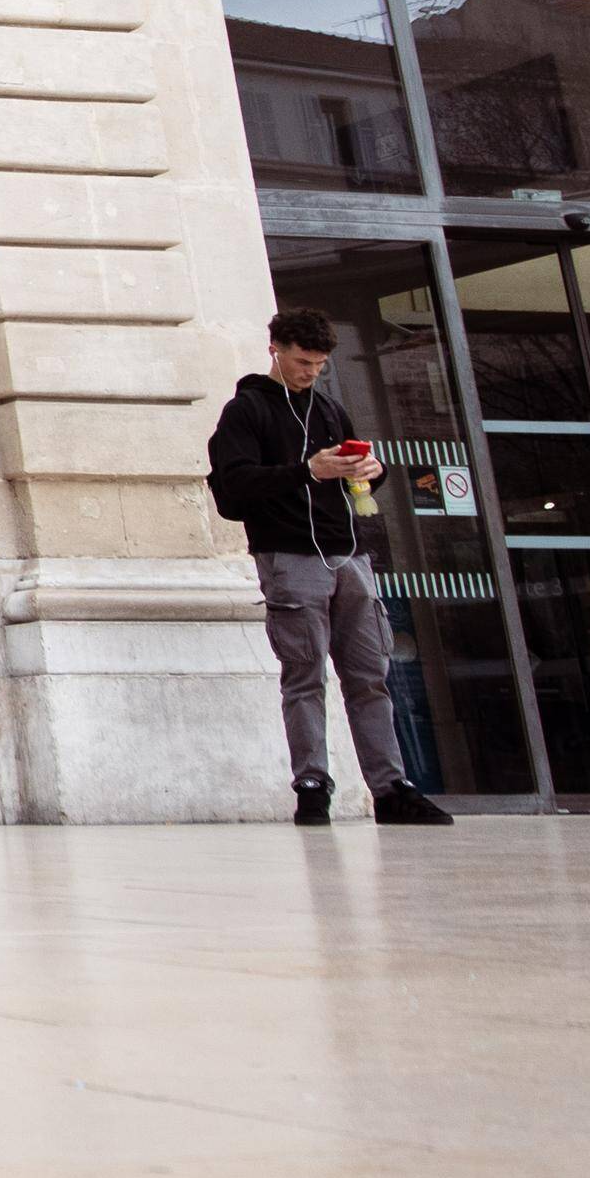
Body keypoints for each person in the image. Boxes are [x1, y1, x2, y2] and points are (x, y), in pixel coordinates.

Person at [208, 309, 453, 828]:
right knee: (305, 676)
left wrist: (371, 471)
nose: (311, 372)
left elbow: (352, 480)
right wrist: (306, 471)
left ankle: (391, 788)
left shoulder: (329, 409)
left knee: (370, 676)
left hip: (350, 554)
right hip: (289, 557)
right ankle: (312, 785)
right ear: (275, 349)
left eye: (320, 364)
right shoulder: (245, 411)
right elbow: (232, 490)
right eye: (303, 361)